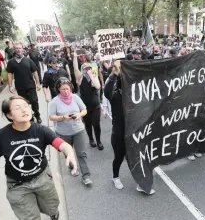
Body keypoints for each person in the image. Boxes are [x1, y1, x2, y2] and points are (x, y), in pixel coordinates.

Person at [0, 95, 78, 220]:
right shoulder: (1, 136)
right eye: (17, 108)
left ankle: (53, 214)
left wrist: (70, 153)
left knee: (51, 207)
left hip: (42, 178)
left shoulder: (41, 130)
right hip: (17, 186)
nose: (24, 110)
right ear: (9, 115)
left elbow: (60, 144)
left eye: (26, 106)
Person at [104, 61, 155, 194]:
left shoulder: (135, 97)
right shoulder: (115, 97)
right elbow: (106, 91)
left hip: (134, 134)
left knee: (137, 158)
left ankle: (141, 183)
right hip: (119, 134)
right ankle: (115, 177)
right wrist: (113, 74)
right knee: (119, 157)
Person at [49, 77, 93, 185]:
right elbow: (51, 117)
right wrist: (63, 117)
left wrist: (78, 114)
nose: (66, 91)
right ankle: (72, 167)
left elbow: (84, 110)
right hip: (63, 133)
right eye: (63, 89)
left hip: (78, 130)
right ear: (58, 89)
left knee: (81, 153)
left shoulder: (75, 97)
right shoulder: (55, 101)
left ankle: (86, 175)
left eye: (67, 89)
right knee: (68, 153)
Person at [73, 50, 104, 150]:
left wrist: (91, 74)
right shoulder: (80, 78)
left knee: (96, 124)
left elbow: (98, 86)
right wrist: (74, 57)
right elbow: (75, 69)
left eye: (88, 68)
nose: (87, 69)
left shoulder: (93, 76)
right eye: (85, 68)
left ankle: (99, 141)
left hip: (95, 104)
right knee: (88, 123)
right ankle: (91, 139)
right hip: (84, 105)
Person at [7, 43, 42, 124]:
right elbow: (9, 74)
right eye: (17, 48)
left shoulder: (28, 60)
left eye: (20, 48)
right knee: (24, 104)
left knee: (34, 101)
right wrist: (10, 85)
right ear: (14, 50)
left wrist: (38, 83)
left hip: (30, 85)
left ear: (22, 49)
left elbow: (35, 72)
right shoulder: (11, 62)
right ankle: (30, 117)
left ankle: (37, 114)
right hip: (20, 87)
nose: (19, 50)